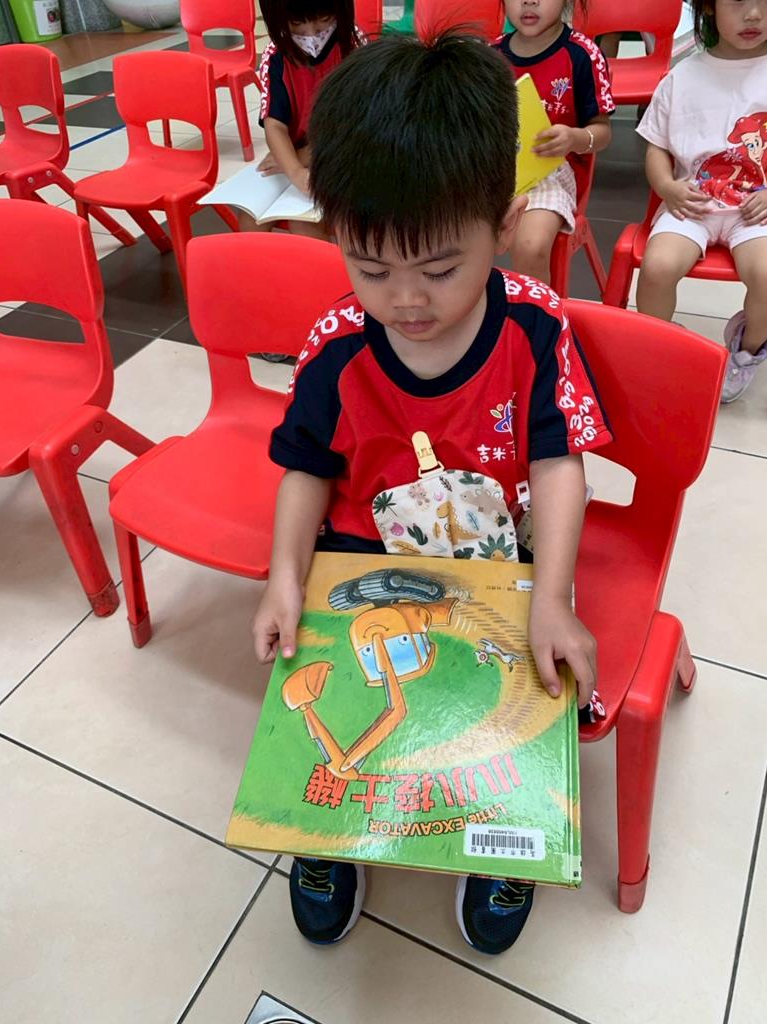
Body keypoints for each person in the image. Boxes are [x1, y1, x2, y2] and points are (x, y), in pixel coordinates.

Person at [252, 32, 613, 955]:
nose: (405, 300)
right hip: (362, 561)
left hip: (494, 557)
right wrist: (283, 577)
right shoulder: (337, 345)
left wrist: (554, 595)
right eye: (370, 268)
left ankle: (503, 841)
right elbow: (305, 468)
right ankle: (328, 838)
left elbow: (557, 464)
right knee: (329, 698)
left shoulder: (534, 330)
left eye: (440, 269)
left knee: (531, 685)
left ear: (502, 221)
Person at [636, 0, 767, 403]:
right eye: (738, 1)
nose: (754, 14)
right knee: (657, 267)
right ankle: (654, 347)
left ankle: (746, 349)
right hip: (692, 203)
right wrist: (667, 186)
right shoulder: (683, 76)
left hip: (755, 209)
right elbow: (657, 148)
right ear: (709, 8)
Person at [494, 0, 614, 283]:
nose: (529, 1)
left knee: (530, 245)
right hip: (493, 170)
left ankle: (537, 309)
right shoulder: (491, 55)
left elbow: (603, 132)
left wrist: (574, 138)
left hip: (550, 173)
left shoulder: (582, 54)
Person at [237, 0, 363, 236]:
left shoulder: (354, 48)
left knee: (303, 222)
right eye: (296, 23)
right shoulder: (276, 55)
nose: (311, 33)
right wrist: (295, 169)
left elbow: (360, 129)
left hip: (346, 155)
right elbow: (275, 125)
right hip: (299, 159)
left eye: (323, 20)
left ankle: (326, 261)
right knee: (250, 220)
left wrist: (300, 158)